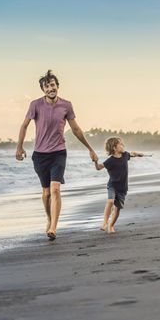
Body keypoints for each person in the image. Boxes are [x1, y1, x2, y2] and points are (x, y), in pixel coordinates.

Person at [16, 70, 98, 241]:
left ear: (57, 86)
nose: (50, 88)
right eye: (47, 86)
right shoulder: (35, 105)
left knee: (55, 189)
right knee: (46, 193)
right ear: (43, 90)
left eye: (52, 85)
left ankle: (53, 227)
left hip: (58, 153)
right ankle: (49, 218)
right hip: (39, 155)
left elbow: (76, 129)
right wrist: (19, 147)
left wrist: (90, 148)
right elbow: (24, 126)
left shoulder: (66, 105)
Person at [94, 137, 144, 234]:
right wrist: (95, 161)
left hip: (123, 188)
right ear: (114, 148)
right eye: (120, 144)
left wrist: (138, 154)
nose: (123, 146)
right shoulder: (110, 161)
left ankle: (111, 225)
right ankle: (104, 222)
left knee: (117, 209)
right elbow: (98, 168)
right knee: (110, 201)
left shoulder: (125, 155)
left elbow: (132, 153)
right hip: (112, 185)